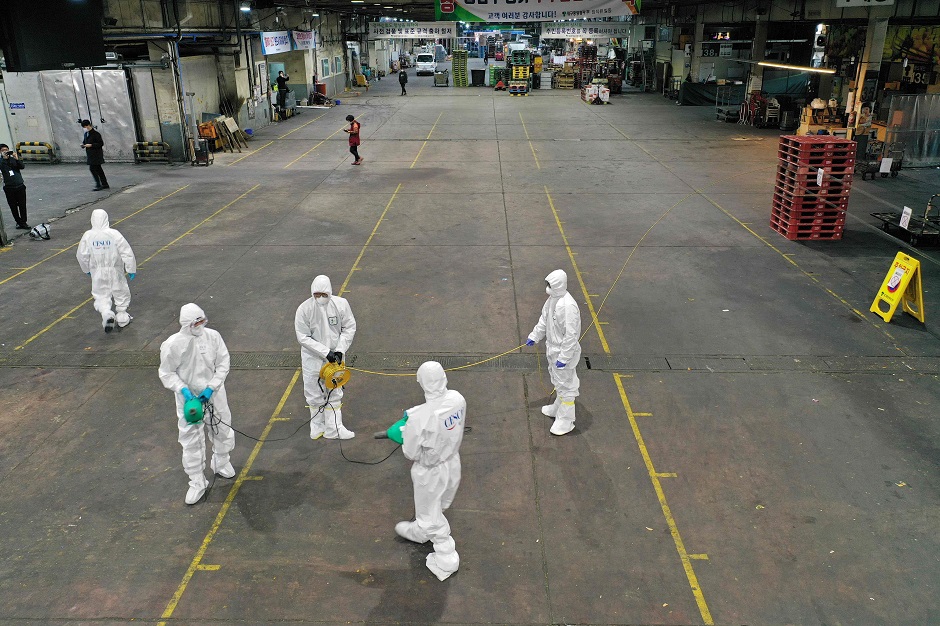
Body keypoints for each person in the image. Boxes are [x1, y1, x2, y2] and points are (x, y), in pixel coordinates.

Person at [394, 361, 466, 581]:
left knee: (428, 514)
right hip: (452, 462)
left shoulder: (419, 420)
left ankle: (446, 555)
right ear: (444, 378)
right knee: (440, 503)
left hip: (430, 472)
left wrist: (408, 430)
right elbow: (439, 412)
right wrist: (417, 414)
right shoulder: (458, 399)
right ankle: (421, 532)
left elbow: (411, 452)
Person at [159, 303, 236, 505]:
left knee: (222, 426)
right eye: (197, 322)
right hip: (189, 399)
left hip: (214, 393)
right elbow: (166, 372)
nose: (201, 325)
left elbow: (223, 363)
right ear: (187, 324)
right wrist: (183, 390)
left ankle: (221, 461)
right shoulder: (173, 344)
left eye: (203, 320)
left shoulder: (213, 337)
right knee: (190, 437)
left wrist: (212, 387)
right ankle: (196, 480)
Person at [294, 274, 357, 439]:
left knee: (335, 391)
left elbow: (349, 327)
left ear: (330, 292)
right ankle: (317, 426)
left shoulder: (341, 305)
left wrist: (339, 350)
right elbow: (303, 337)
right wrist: (324, 352)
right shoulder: (304, 309)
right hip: (312, 359)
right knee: (313, 393)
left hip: (336, 358)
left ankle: (334, 429)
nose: (320, 298)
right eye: (317, 294)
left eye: (324, 294)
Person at [525, 269, 581, 435]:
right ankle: (558, 407)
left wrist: (564, 357)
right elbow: (544, 320)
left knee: (567, 384)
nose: (547, 287)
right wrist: (535, 336)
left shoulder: (568, 306)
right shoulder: (552, 300)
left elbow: (571, 335)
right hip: (553, 348)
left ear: (557, 285)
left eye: (550, 284)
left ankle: (566, 420)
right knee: (558, 380)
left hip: (564, 351)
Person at [76, 209, 137, 332]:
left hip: (97, 271)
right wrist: (131, 268)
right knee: (120, 291)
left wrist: (86, 269)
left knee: (101, 294)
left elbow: (81, 255)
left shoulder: (88, 235)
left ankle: (106, 313)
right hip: (115, 269)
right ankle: (122, 316)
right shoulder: (114, 234)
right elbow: (126, 252)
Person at [0, 144, 28, 230]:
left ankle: (24, 222)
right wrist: (4, 159)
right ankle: (18, 222)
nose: (5, 151)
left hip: (20, 186)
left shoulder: (13, 159)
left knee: (22, 205)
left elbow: (22, 166)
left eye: (6, 149)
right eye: (3, 150)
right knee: (13, 206)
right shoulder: (1, 161)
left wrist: (16, 158)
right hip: (9, 187)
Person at [80, 120, 109, 191]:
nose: (85, 128)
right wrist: (83, 145)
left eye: (85, 126)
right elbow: (85, 142)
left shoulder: (96, 134)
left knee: (93, 169)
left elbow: (101, 143)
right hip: (90, 154)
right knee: (99, 169)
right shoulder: (86, 134)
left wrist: (91, 145)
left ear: (88, 125)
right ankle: (104, 184)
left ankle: (98, 184)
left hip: (96, 154)